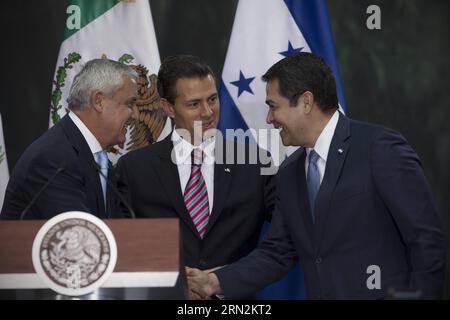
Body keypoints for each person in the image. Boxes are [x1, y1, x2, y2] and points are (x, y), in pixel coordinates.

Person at [186, 52, 447, 299]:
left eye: (273, 106)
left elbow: (426, 239)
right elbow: (278, 252)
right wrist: (215, 282)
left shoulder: (380, 149)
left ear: (306, 102)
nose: (269, 118)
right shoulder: (289, 172)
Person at [116, 55, 275, 283]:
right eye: (194, 104)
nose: (208, 112)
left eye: (212, 99)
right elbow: (123, 246)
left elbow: (284, 241)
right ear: (168, 107)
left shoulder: (256, 163)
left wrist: (224, 280)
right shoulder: (134, 169)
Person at [1, 59, 138, 219]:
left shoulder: (96, 158)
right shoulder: (53, 159)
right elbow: (78, 234)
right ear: (99, 101)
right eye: (130, 104)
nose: (136, 115)